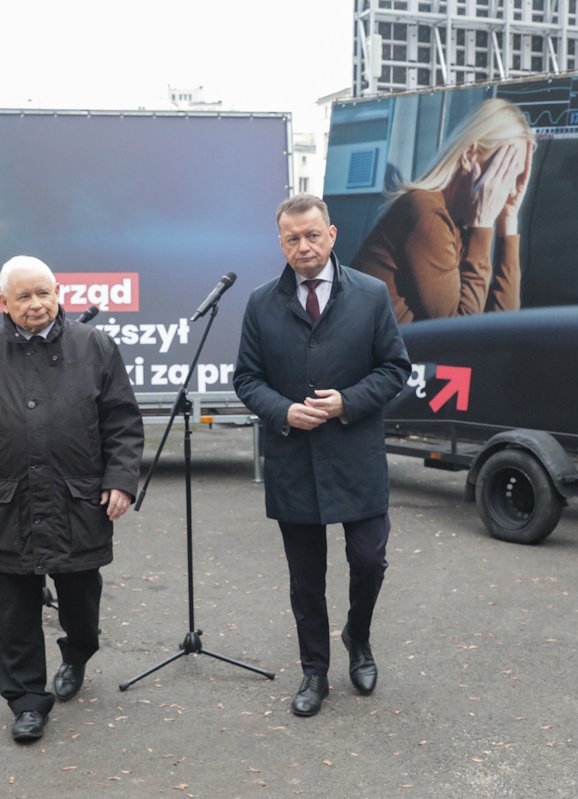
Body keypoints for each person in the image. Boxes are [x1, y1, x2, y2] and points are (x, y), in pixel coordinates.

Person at [0, 256, 143, 743]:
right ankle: (27, 702)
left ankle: (78, 653)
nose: (36, 304)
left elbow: (122, 422)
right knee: (15, 610)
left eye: (43, 293)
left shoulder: (94, 346)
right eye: (23, 296)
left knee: (82, 605)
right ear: (2, 302)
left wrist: (120, 479)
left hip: (78, 502)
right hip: (11, 504)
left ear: (58, 293)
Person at [233, 194, 411, 718]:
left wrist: (347, 402)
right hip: (294, 461)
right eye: (292, 238)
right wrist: (283, 411)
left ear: (332, 236)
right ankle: (315, 670)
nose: (303, 246)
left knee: (369, 559)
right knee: (305, 578)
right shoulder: (262, 302)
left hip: (356, 456)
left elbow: (395, 369)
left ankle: (358, 636)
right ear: (281, 242)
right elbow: (246, 378)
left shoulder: (372, 294)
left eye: (313, 235)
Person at [353, 97, 535, 324]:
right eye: (504, 171)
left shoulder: (458, 223)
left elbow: (503, 328)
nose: (509, 190)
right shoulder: (425, 212)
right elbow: (461, 333)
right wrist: (482, 224)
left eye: (515, 176)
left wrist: (509, 221)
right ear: (470, 156)